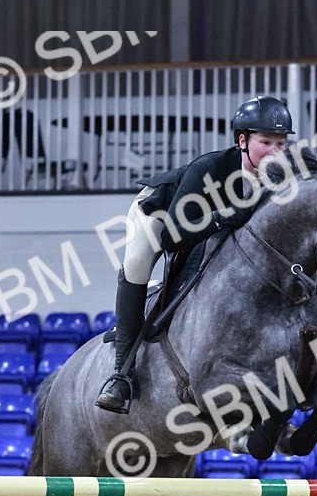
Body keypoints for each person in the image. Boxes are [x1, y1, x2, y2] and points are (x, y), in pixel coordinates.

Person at [95, 96, 293, 413]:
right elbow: (174, 235)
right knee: (135, 264)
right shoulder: (209, 168)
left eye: (281, 143)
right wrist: (220, 216)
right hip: (161, 215)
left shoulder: (284, 178)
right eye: (265, 141)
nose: (275, 151)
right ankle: (121, 376)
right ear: (242, 141)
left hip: (207, 228)